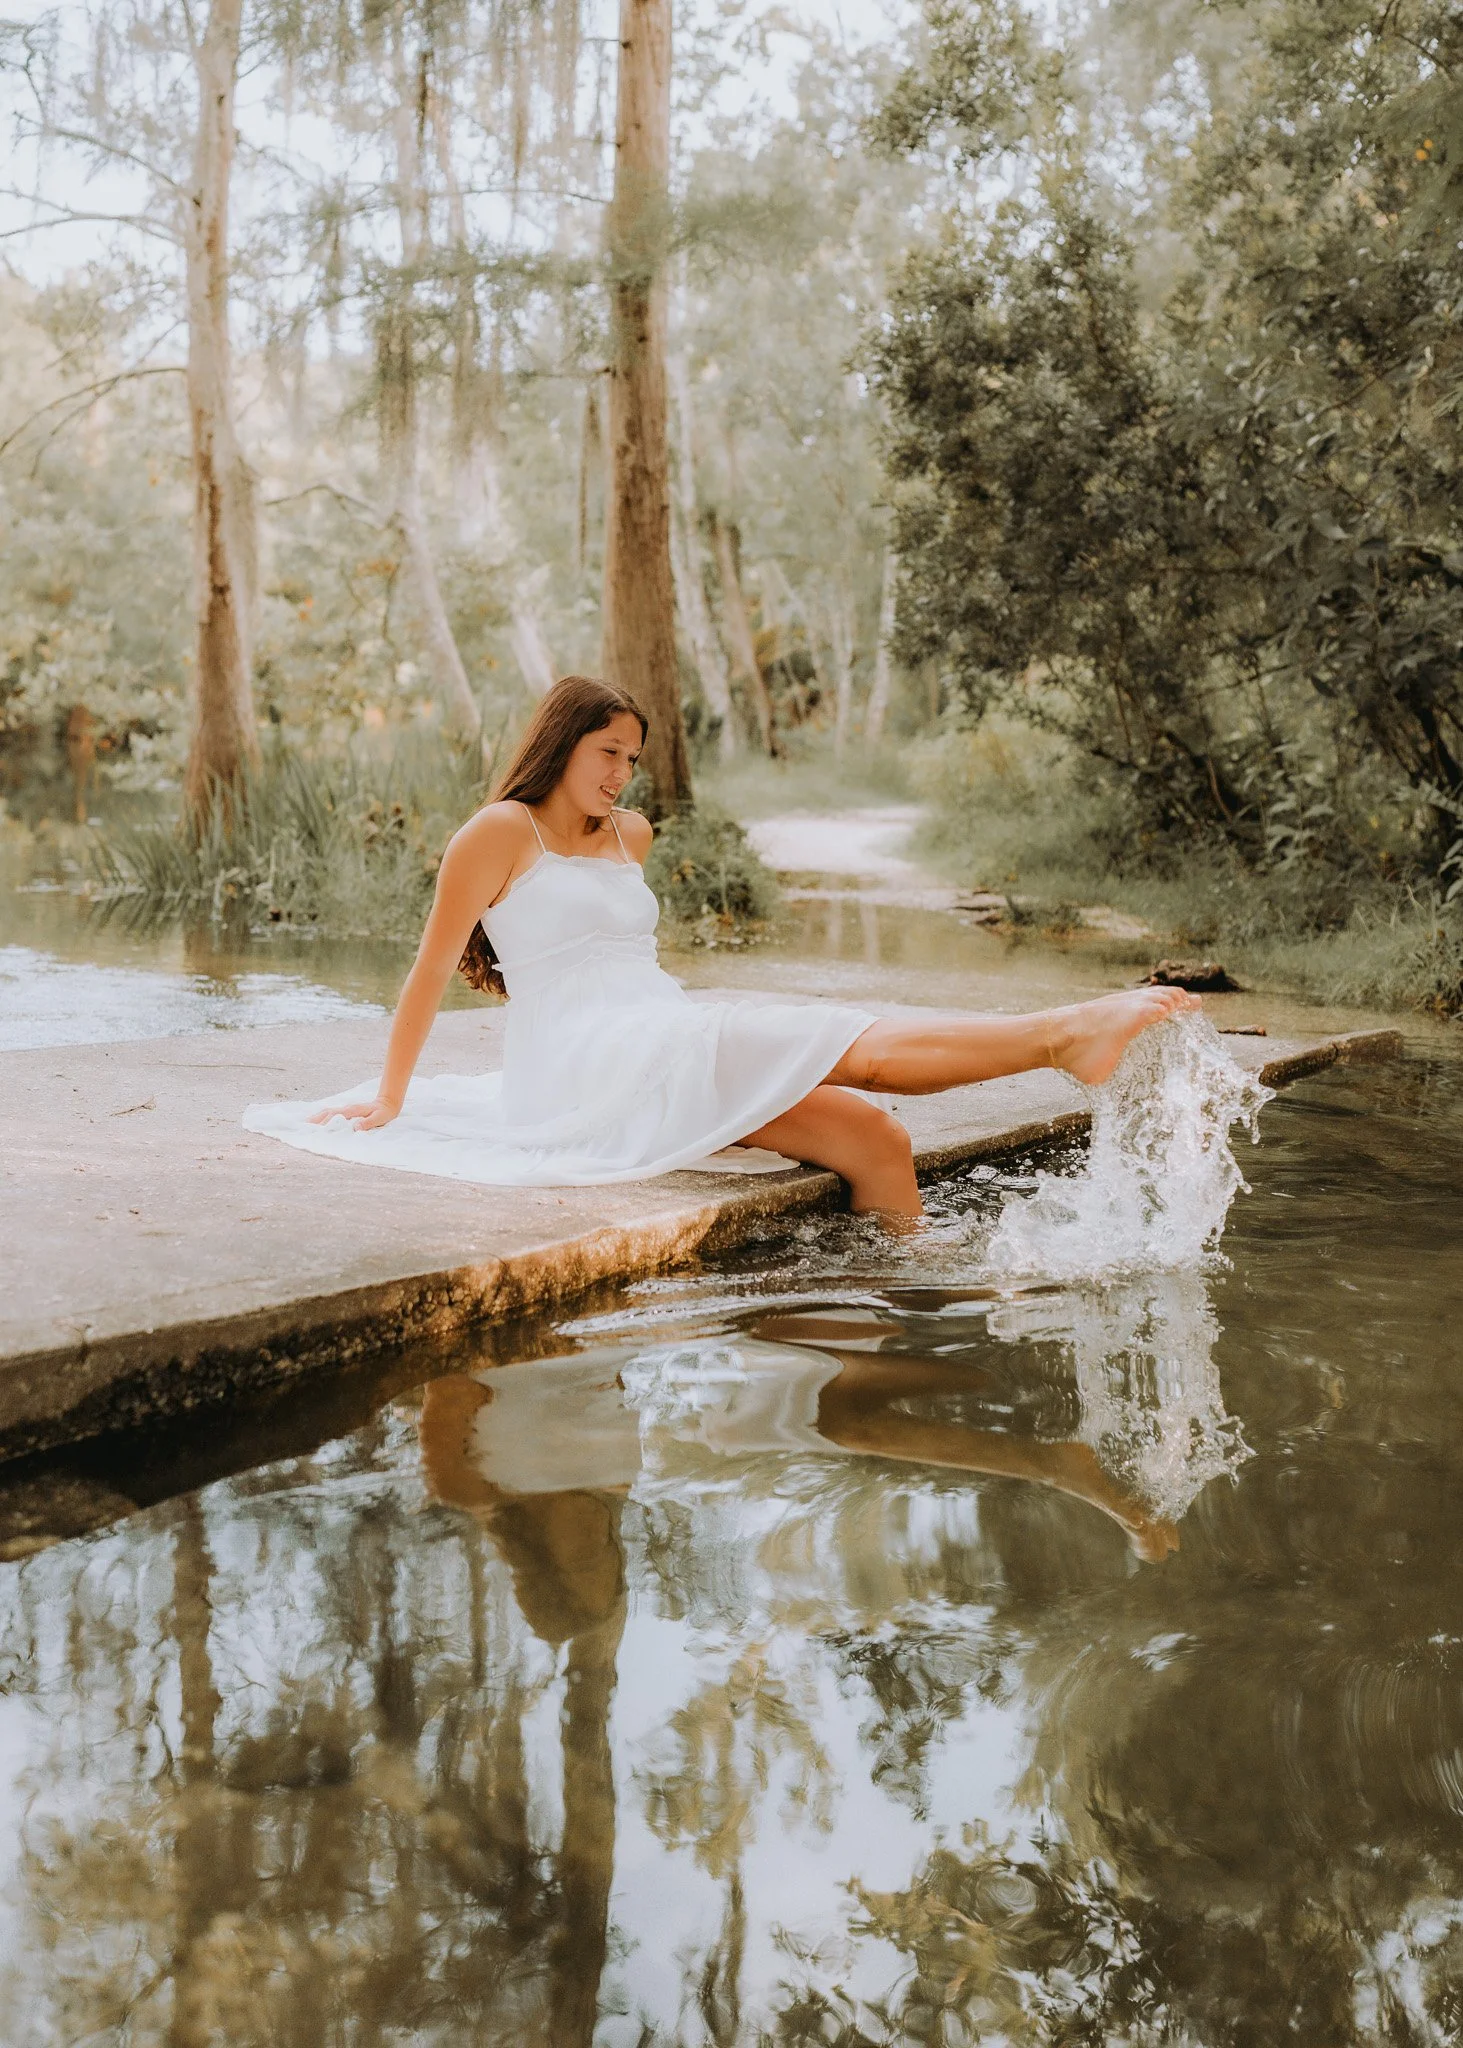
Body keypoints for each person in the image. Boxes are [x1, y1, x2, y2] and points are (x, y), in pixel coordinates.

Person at [244, 674, 1197, 1219]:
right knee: (836, 1039)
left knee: (876, 1137)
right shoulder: (497, 832)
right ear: (560, 745)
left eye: (630, 758)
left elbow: (630, 964)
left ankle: (897, 1295)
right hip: (581, 1065)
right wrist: (391, 1097)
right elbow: (423, 975)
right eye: (605, 753)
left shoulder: (634, 836)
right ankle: (1062, 1036)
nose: (620, 775)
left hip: (660, 1034)